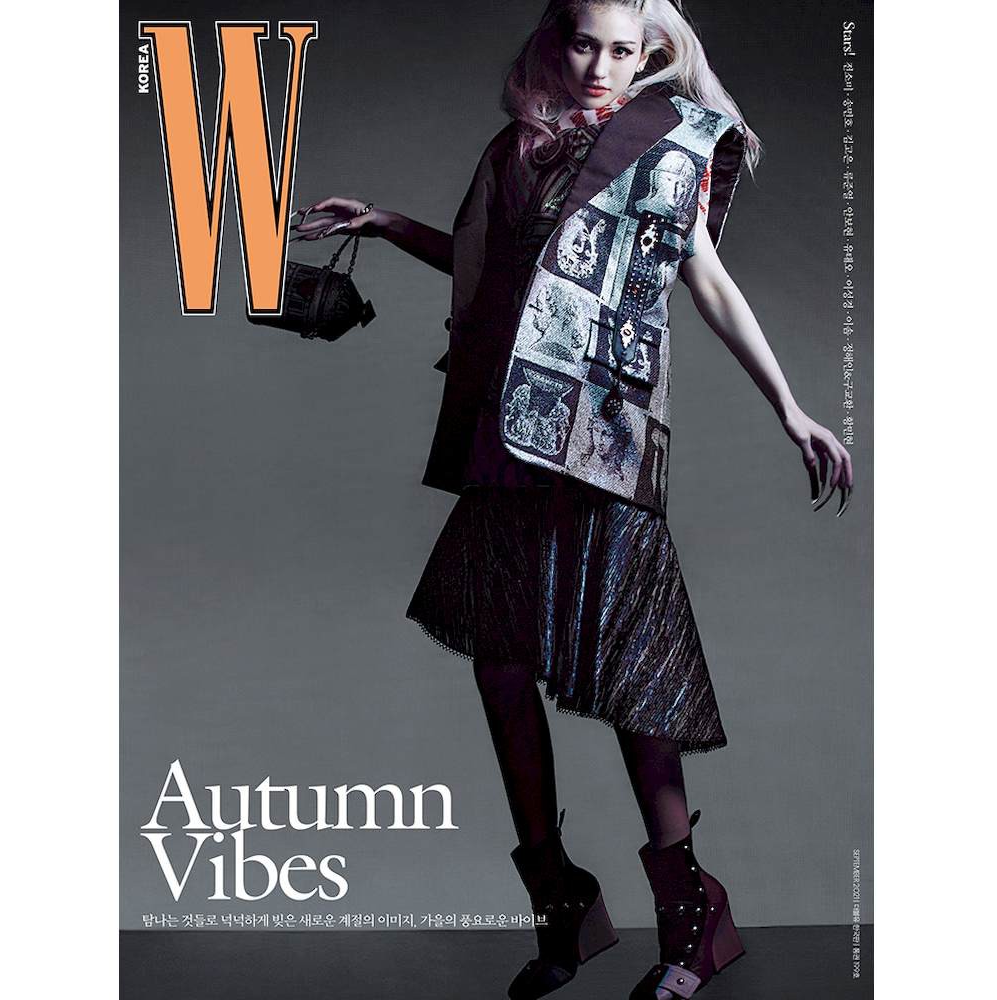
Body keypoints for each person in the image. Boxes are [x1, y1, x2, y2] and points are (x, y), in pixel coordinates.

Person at [293, 2, 854, 997]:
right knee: (501, 668)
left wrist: (791, 408)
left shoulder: (671, 149)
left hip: (608, 437)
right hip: (514, 434)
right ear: (557, 45)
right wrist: (384, 223)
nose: (600, 65)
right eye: (584, 43)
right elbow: (489, 267)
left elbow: (707, 281)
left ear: (650, 55)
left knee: (634, 681)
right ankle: (560, 903)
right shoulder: (519, 149)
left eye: (621, 49)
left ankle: (693, 922)